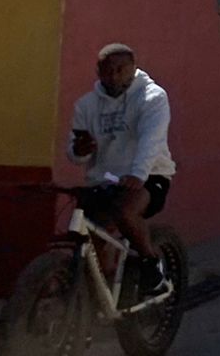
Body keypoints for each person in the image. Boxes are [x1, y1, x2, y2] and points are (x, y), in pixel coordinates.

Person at [68, 43, 174, 294]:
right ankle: (104, 295)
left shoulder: (152, 97)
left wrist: (138, 174)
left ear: (133, 68)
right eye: (107, 70)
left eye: (120, 70)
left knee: (125, 211)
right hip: (106, 177)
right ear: (98, 71)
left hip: (150, 175)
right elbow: (73, 154)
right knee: (92, 238)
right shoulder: (86, 105)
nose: (114, 76)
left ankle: (151, 265)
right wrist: (79, 150)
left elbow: (152, 138)